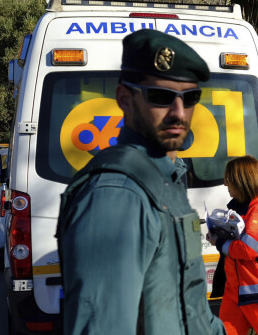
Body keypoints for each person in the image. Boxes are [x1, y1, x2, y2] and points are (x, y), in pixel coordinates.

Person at [56, 29, 226, 335]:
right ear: (125, 99)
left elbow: (190, 312)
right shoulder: (116, 196)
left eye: (190, 98)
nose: (178, 112)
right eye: (160, 97)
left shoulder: (164, 178)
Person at [207, 156, 258, 335]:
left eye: (228, 180)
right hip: (236, 292)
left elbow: (247, 249)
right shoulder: (241, 209)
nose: (225, 184)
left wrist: (220, 242)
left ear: (241, 181)